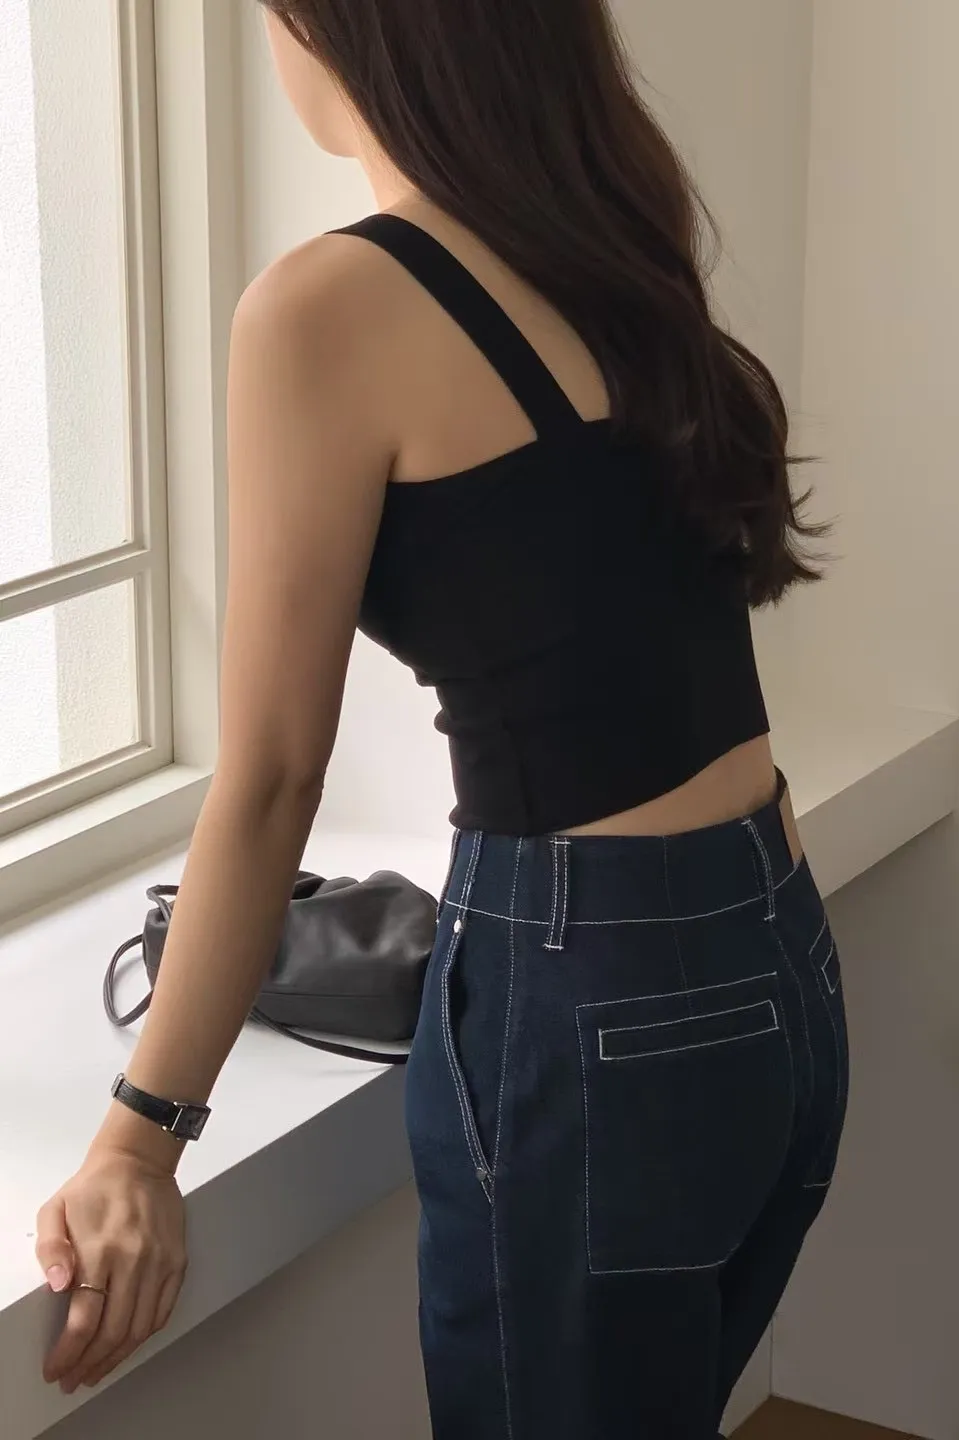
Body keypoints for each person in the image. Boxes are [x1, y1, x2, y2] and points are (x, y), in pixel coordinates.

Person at [35, 2, 848, 1435]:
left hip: (592, 1004)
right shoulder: (610, 244)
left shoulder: (326, 308)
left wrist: (140, 1141)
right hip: (774, 956)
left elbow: (272, 774)